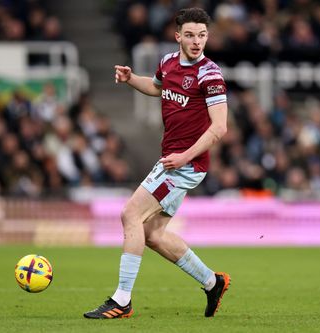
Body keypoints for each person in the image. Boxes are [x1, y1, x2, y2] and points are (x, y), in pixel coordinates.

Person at [84, 7, 230, 319]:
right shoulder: (168, 63)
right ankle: (211, 282)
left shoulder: (210, 74)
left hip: (185, 165)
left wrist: (184, 157)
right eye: (190, 35)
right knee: (152, 234)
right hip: (172, 160)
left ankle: (122, 299)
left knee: (130, 214)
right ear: (178, 36)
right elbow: (157, 87)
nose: (196, 41)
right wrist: (131, 79)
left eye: (202, 35)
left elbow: (219, 128)